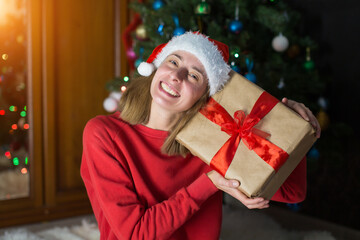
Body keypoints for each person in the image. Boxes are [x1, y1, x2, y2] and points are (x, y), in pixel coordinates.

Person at [81, 32, 321, 240]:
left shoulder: (213, 144)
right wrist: (210, 183)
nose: (178, 75)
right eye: (173, 61)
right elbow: (135, 235)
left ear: (204, 97)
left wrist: (296, 131)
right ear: (157, 66)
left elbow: (292, 192)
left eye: (194, 76)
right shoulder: (104, 134)